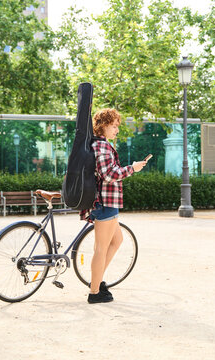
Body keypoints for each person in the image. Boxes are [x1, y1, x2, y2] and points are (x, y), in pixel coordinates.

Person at [81, 108, 147, 304]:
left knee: (116, 240)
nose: (117, 130)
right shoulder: (101, 146)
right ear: (103, 126)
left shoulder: (101, 145)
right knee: (101, 248)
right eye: (114, 126)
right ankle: (94, 292)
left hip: (107, 202)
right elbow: (108, 175)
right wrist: (132, 169)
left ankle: (97, 279)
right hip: (104, 202)